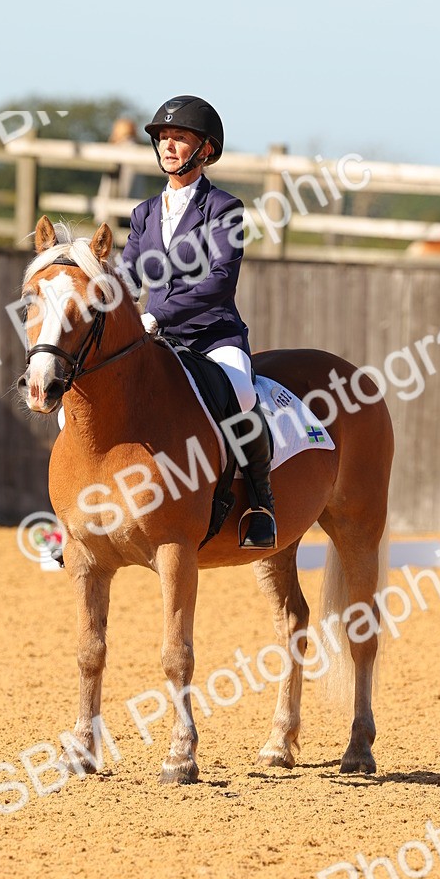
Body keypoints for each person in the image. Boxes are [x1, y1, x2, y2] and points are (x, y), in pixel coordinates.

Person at [118, 95, 276, 550]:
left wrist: (156, 313)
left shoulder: (224, 208)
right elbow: (129, 275)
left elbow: (220, 281)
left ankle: (260, 504)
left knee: (242, 393)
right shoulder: (144, 213)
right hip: (155, 337)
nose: (168, 146)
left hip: (212, 335)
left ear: (204, 150)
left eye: (179, 138)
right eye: (163, 138)